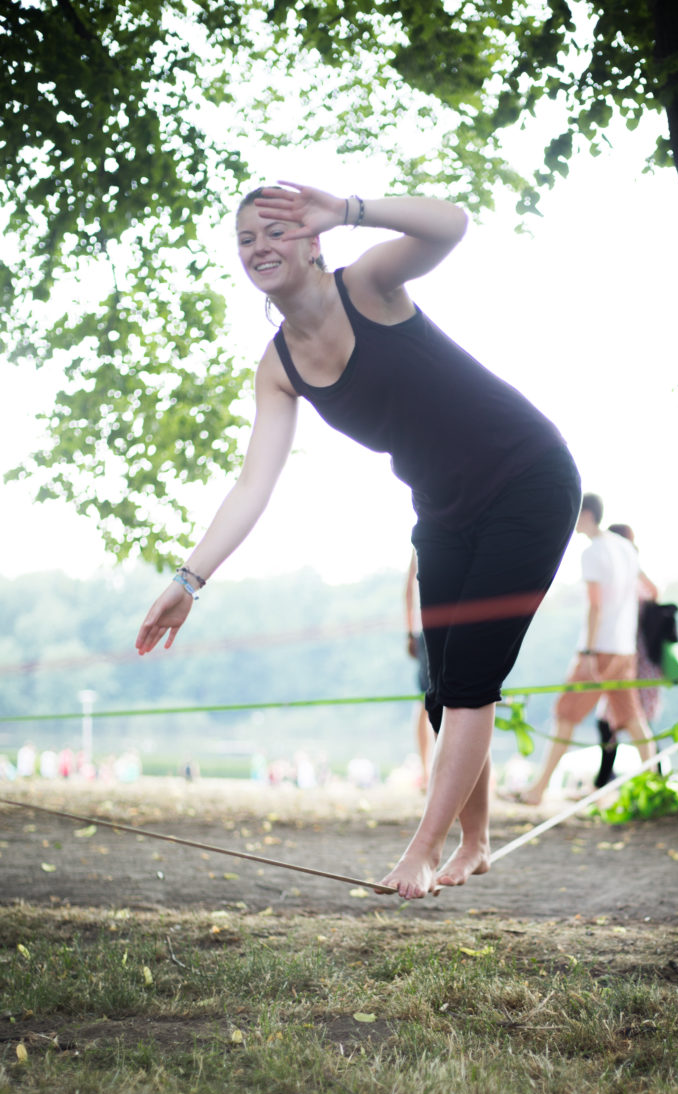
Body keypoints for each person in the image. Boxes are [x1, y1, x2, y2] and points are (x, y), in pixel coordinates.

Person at [135, 181, 581, 898]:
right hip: (443, 513)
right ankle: (477, 839)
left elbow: (451, 225)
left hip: (528, 480)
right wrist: (188, 581)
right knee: (444, 692)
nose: (259, 247)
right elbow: (254, 485)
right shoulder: (277, 369)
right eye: (246, 239)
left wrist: (346, 208)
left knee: (469, 680)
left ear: (312, 243)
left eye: (274, 231)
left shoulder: (369, 286)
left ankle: (423, 852)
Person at [501, 493, 656, 807]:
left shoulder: (593, 552)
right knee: (632, 718)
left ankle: (538, 790)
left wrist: (586, 652)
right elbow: (651, 590)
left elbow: (596, 606)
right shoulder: (624, 547)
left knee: (565, 714)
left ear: (585, 514)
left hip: (599, 649)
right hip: (625, 648)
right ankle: (655, 784)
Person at [593, 523, 659, 789]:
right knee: (619, 722)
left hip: (631, 659)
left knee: (631, 722)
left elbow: (653, 593)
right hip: (629, 657)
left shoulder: (629, 575)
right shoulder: (626, 576)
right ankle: (648, 777)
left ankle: (653, 777)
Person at [405, 549, 434, 790]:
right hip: (427, 630)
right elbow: (408, 587)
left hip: (428, 629)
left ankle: (430, 770)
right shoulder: (420, 539)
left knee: (430, 701)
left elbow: (407, 588)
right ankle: (427, 771)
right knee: (429, 701)